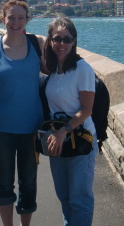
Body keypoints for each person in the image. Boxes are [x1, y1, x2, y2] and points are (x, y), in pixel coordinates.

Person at [0, 0, 45, 226]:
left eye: (20, 17)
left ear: (27, 19)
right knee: (4, 182)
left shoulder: (37, 43)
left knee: (29, 181)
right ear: (3, 19)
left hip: (31, 127)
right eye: (11, 17)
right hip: (0, 127)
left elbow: (56, 73)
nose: (15, 22)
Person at [43, 15, 97, 226]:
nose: (62, 44)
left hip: (80, 142)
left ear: (74, 41)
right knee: (64, 196)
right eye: (57, 39)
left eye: (67, 39)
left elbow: (86, 110)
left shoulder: (82, 69)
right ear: (50, 40)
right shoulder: (53, 69)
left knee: (80, 199)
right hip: (57, 142)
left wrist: (63, 131)